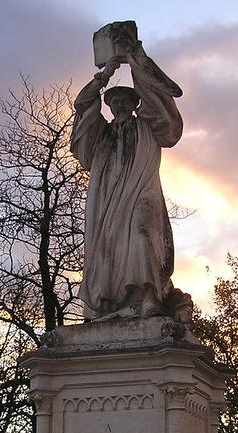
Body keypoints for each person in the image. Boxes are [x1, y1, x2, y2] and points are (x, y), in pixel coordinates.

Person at [71, 40, 184, 321]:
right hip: (108, 203)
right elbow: (83, 105)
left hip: (141, 192)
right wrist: (105, 74)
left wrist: (137, 61)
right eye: (114, 101)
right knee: (110, 248)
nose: (119, 104)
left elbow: (163, 110)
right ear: (108, 106)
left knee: (143, 234)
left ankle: (147, 297)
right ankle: (113, 303)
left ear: (135, 104)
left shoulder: (146, 125)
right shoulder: (101, 135)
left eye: (125, 100)